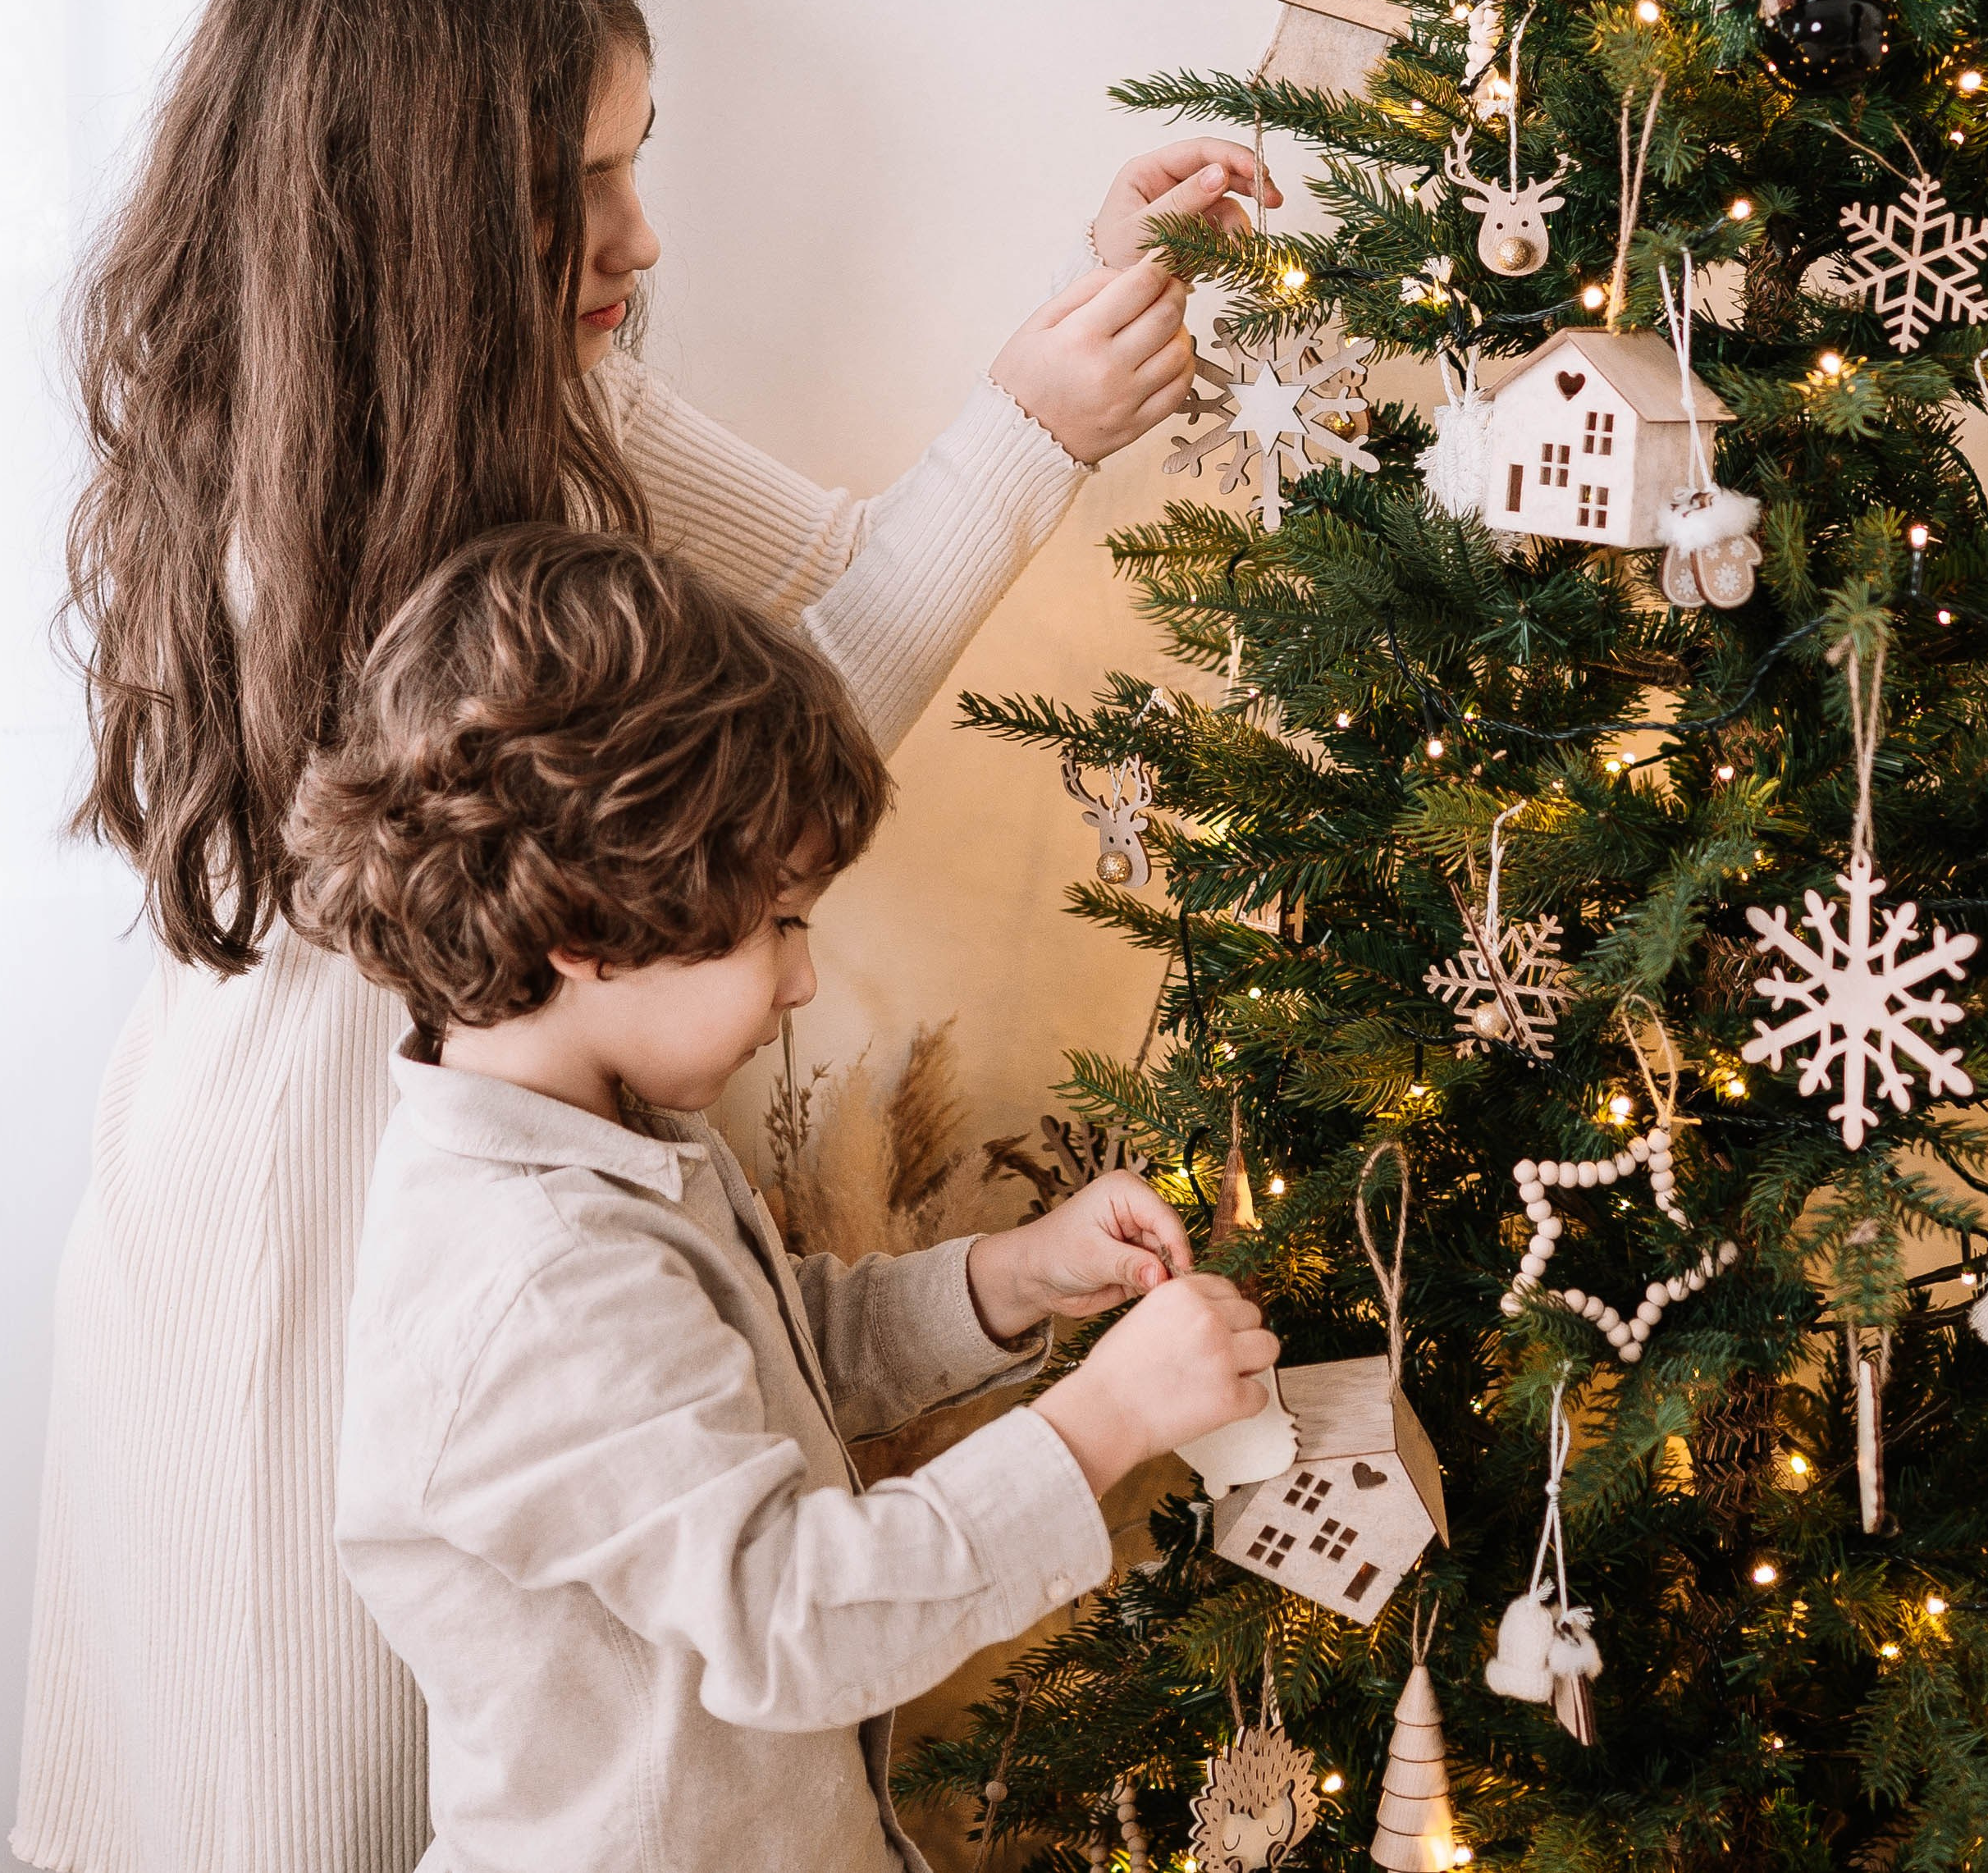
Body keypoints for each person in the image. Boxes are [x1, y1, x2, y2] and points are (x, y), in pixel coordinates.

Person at [14, 0, 1274, 1873]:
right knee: (298, 1794)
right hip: (286, 1215)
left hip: (475, 1136)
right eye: (575, 182)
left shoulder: (558, 386)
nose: (638, 233)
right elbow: (711, 785)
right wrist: (1029, 436)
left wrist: (1074, 328)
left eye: (634, 158)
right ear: (424, 211)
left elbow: (818, 606)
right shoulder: (301, 487)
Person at [293, 523, 1274, 1873]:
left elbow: (753, 1363)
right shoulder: (536, 1272)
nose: (802, 980)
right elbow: (791, 1621)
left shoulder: (603, 1143)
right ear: (587, 927)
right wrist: (1101, 1422)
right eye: (781, 925)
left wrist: (1005, 1280)